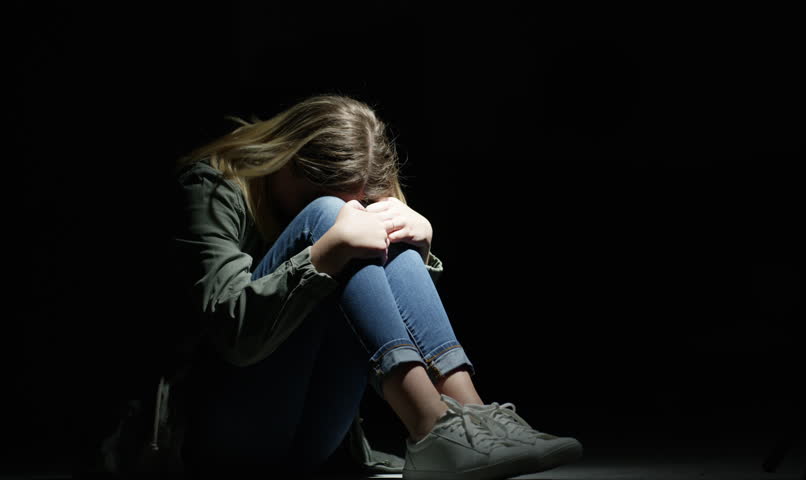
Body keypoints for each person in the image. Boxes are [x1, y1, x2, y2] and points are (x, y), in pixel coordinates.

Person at [170, 94, 583, 479]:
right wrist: (324, 253)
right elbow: (233, 337)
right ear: (285, 162)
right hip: (219, 437)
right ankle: (430, 425)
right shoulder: (212, 186)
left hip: (311, 442)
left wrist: (417, 249)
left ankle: (474, 419)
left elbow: (372, 322)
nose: (350, 209)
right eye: (314, 193)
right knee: (331, 215)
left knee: (387, 226)